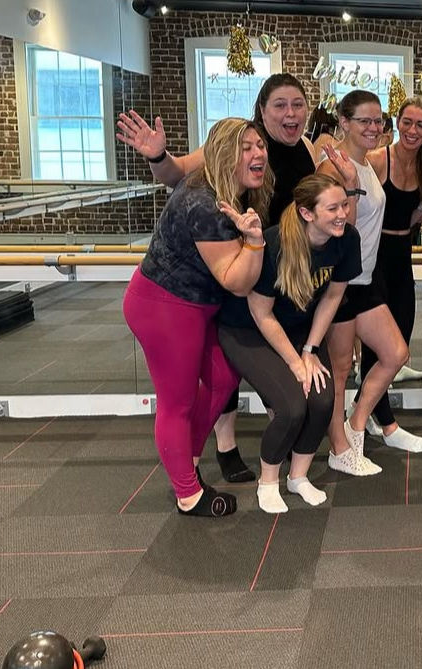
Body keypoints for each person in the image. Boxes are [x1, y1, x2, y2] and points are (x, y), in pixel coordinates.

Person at [117, 73, 319, 483]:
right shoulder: (228, 151)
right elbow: (177, 174)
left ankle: (196, 455)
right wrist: (158, 157)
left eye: (297, 104)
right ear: (261, 111)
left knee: (225, 372)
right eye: (279, 104)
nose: (290, 112)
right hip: (222, 275)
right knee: (199, 381)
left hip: (260, 272)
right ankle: (219, 450)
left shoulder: (308, 151)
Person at [122, 117, 271, 517]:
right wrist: (254, 242)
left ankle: (184, 463)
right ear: (223, 154)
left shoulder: (230, 190)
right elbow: (236, 281)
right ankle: (188, 493)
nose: (258, 154)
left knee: (223, 377)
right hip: (165, 305)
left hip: (197, 305)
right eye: (247, 147)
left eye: (260, 145)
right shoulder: (204, 203)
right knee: (178, 401)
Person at [218, 174, 360, 513]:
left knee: (324, 401)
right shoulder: (276, 244)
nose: (343, 213)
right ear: (307, 213)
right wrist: (296, 364)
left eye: (344, 204)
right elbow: (260, 312)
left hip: (298, 328)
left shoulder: (346, 239)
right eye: (333, 208)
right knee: (292, 406)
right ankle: (268, 481)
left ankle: (298, 477)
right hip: (248, 329)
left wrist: (310, 350)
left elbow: (333, 296)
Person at [316, 90, 413, 474]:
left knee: (395, 354)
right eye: (364, 121)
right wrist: (352, 186)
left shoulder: (365, 163)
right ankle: (340, 450)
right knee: (339, 369)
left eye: (378, 121)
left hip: (365, 277)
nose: (374, 128)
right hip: (342, 282)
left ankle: (356, 427)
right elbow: (342, 230)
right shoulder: (334, 168)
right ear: (344, 122)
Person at [356, 97, 422, 447]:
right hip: (374, 258)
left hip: (403, 255)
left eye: (421, 125)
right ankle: (384, 421)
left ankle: (367, 410)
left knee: (400, 340)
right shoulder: (378, 160)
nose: (412, 130)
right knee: (378, 345)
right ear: (397, 123)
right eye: (407, 122)